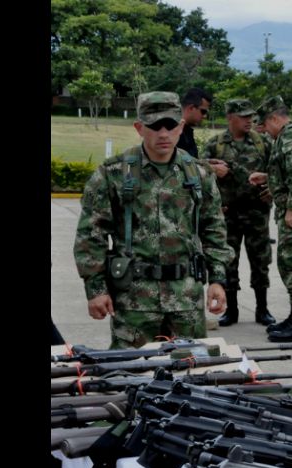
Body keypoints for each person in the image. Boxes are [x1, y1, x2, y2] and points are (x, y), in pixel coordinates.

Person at [73, 92, 234, 349]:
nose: (163, 133)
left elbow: (214, 229)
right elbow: (91, 235)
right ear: (139, 128)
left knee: (190, 374)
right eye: (154, 126)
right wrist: (96, 290)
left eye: (170, 125)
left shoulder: (198, 174)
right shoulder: (113, 174)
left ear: (181, 127)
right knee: (132, 374)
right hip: (134, 302)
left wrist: (217, 280)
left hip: (186, 300)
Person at [249, 96, 292, 342]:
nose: (265, 131)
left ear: (275, 118)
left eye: (265, 125)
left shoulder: (289, 137)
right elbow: (289, 172)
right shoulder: (289, 135)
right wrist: (268, 177)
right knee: (289, 261)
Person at [201, 99, 276, 328]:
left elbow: (278, 171)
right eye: (243, 116)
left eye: (250, 116)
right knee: (228, 262)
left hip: (256, 213)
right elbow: (198, 172)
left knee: (260, 261)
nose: (249, 120)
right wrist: (212, 169)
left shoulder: (263, 143)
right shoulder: (215, 144)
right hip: (228, 214)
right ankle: (230, 310)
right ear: (230, 117)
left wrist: (272, 188)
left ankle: (262, 309)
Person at [177, 87, 213, 158]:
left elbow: (190, 160)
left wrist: (206, 163)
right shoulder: (173, 132)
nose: (205, 116)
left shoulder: (186, 131)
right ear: (191, 108)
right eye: (203, 111)